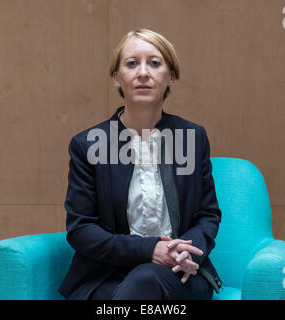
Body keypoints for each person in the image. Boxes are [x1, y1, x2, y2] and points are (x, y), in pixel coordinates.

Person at [58, 28, 222, 300]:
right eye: (132, 63)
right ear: (116, 78)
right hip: (109, 274)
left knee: (145, 280)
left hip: (178, 273)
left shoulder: (192, 138)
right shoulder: (88, 144)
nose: (143, 73)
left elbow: (208, 214)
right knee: (134, 289)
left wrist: (183, 251)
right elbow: (81, 229)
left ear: (170, 77)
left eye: (155, 63)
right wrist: (149, 250)